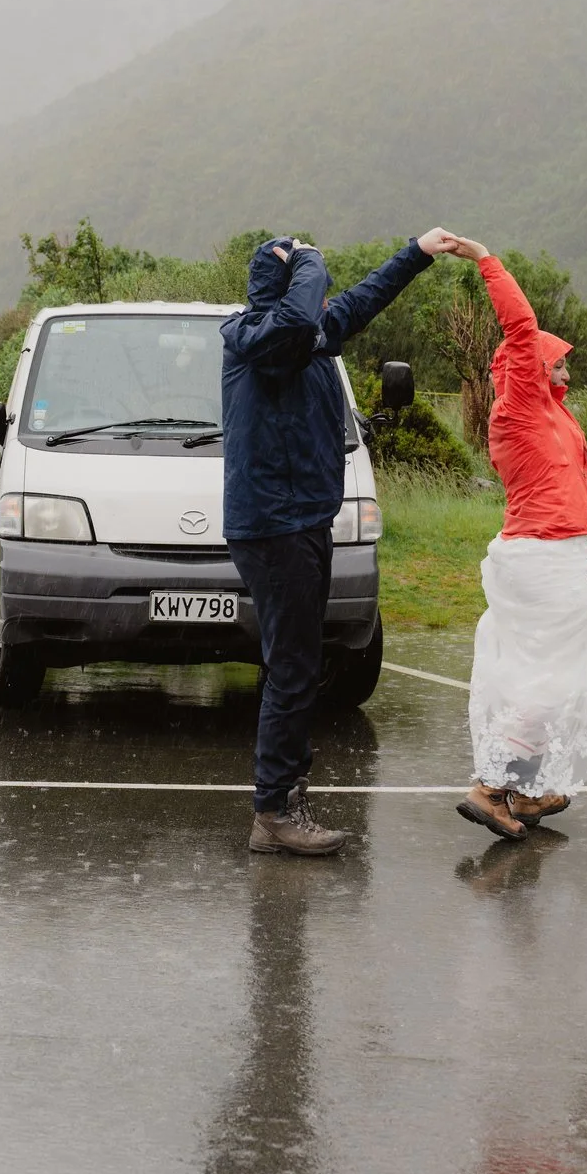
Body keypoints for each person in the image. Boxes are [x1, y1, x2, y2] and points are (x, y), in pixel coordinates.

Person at [222, 227, 456, 854]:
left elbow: (357, 301)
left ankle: (283, 796)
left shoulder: (308, 334)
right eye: (308, 283)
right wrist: (308, 258)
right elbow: (302, 313)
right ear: (286, 289)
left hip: (305, 518)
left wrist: (417, 252)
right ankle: (274, 811)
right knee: (293, 667)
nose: (325, 303)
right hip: (277, 525)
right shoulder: (258, 339)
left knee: (299, 663)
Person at [441, 236, 587, 840]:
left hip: (560, 553)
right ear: (531, 368)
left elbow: (575, 480)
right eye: (558, 363)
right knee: (556, 681)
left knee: (546, 677)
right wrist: (487, 260)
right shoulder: (518, 405)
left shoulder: (553, 416)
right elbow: (521, 327)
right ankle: (492, 788)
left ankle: (524, 792)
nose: (566, 371)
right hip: (542, 558)